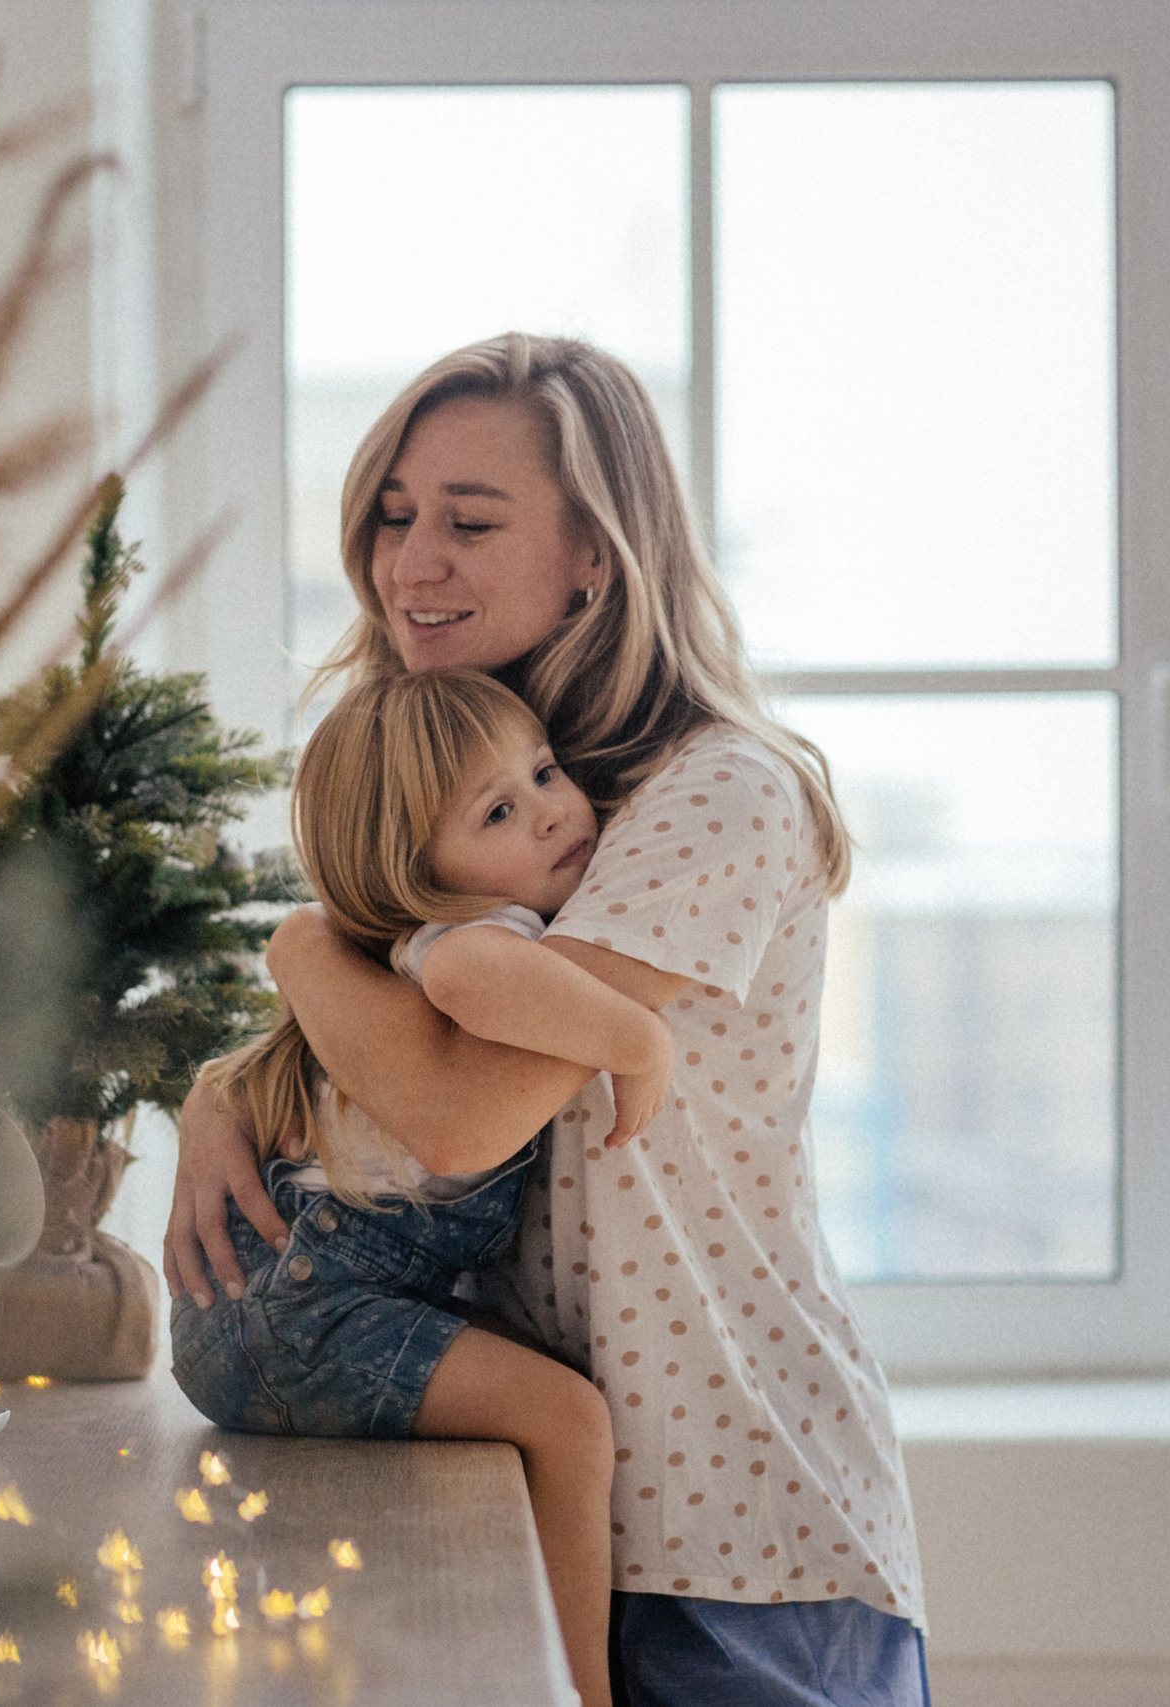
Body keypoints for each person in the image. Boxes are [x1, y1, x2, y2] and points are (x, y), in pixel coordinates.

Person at [165, 334, 930, 1705]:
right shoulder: (491, 800)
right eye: (395, 517)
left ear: (597, 553)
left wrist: (296, 946)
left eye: (470, 519)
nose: (412, 563)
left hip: (729, 1517)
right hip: (534, 1493)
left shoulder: (712, 795)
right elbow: (377, 1085)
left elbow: (461, 1109)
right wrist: (228, 1087)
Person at [174, 666, 669, 1707]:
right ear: (414, 870)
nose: (548, 814)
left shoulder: (380, 965)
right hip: (304, 1306)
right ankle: (580, 1693)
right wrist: (637, 1035)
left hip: (267, 1308)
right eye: (497, 810)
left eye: (542, 772)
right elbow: (468, 981)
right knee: (569, 1422)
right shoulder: (470, 938)